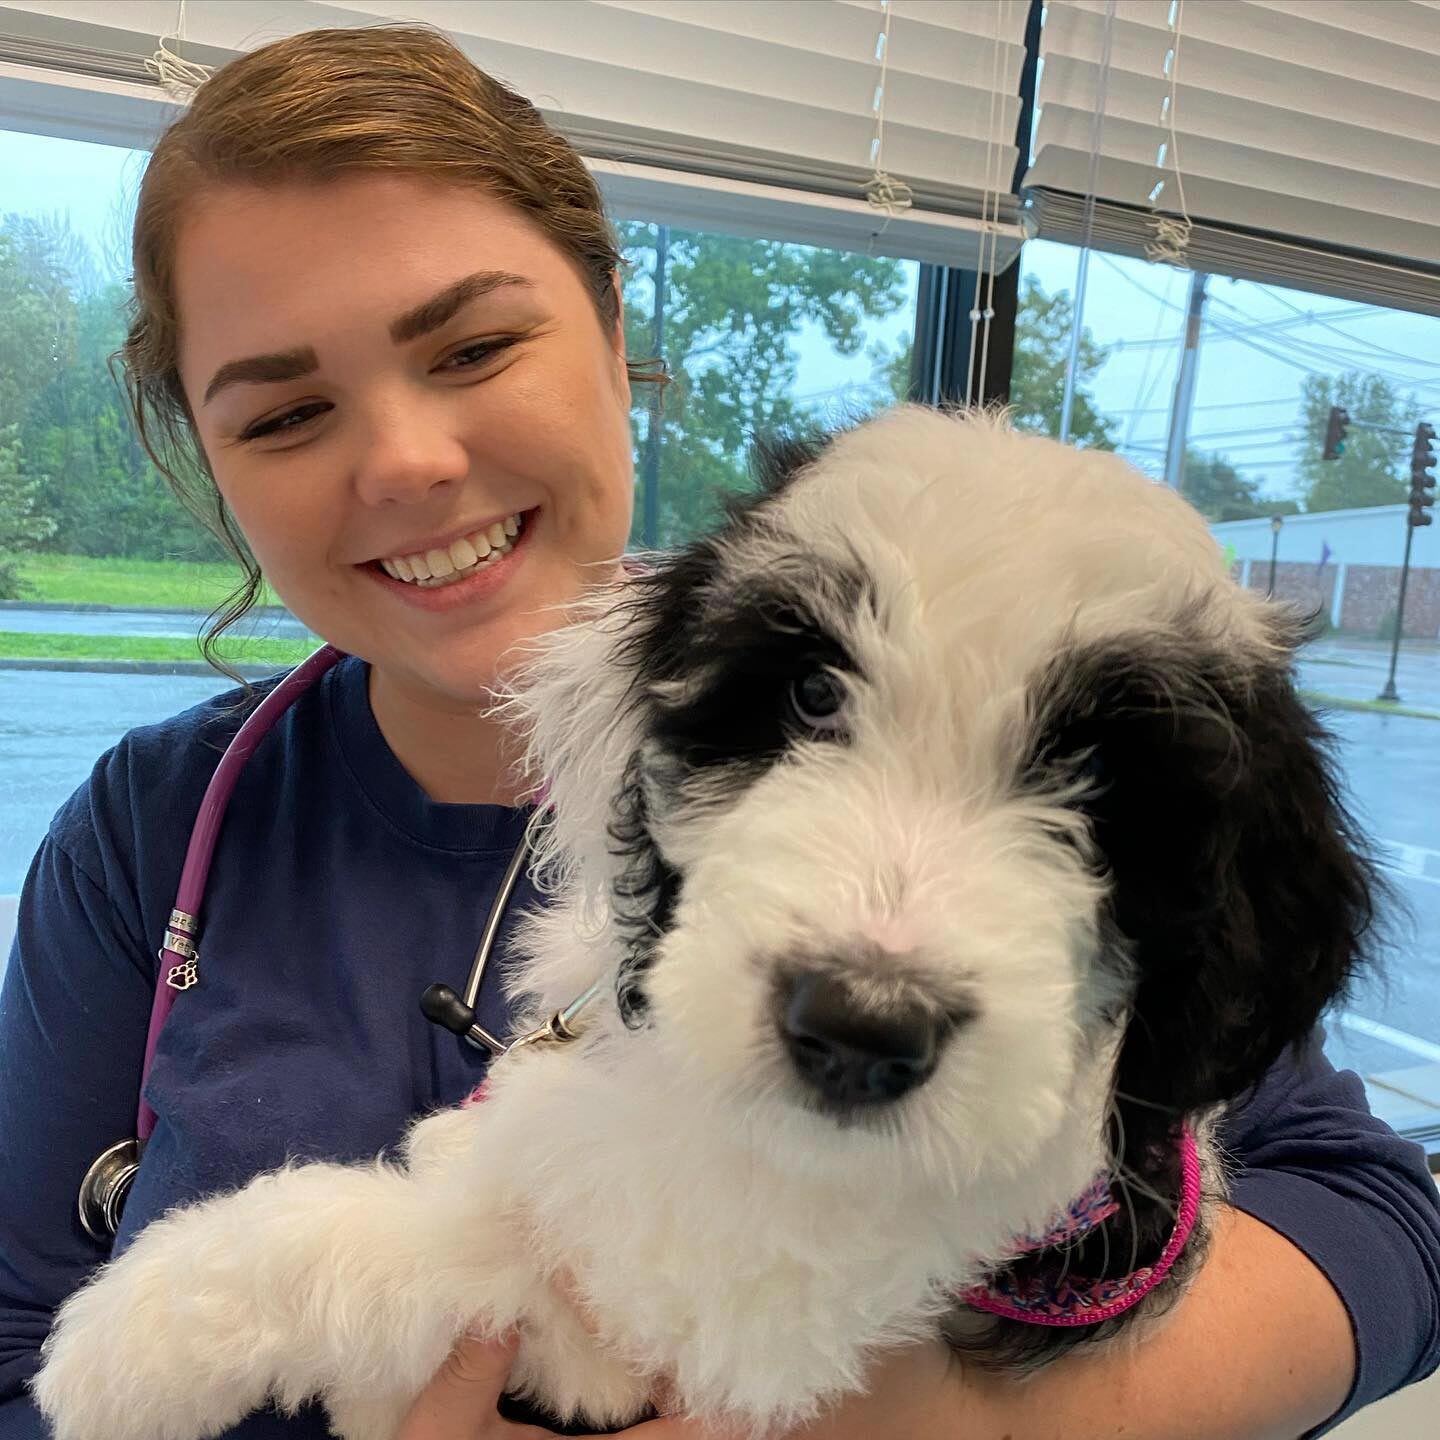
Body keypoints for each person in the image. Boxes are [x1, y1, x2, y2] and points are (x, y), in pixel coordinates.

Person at [0, 23, 1436, 1440]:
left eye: (477, 345)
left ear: (615, 339)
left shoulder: (1044, 650)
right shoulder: (153, 826)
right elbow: (22, 1351)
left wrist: (930, 1424)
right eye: (289, 410)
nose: (408, 463)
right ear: (204, 451)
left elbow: (1379, 1219)